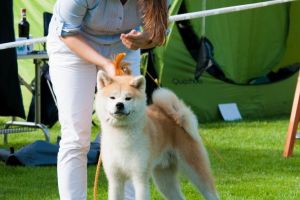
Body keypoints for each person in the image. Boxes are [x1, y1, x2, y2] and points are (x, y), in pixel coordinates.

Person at [46, 0, 168, 199]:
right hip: (72, 47)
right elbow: (67, 32)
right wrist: (105, 64)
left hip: (123, 48)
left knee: (131, 134)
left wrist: (144, 39)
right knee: (76, 137)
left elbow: (158, 33)